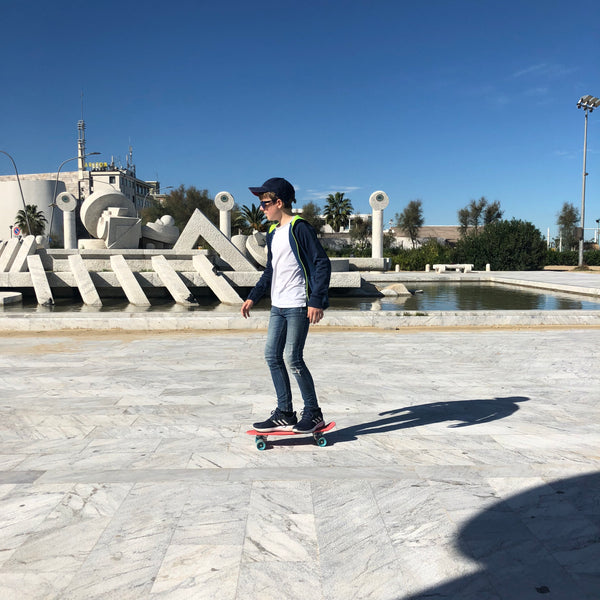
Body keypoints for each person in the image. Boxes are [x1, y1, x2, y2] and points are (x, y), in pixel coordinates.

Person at [241, 177, 331, 434]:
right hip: (278, 305)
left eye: (265, 203)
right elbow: (271, 270)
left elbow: (321, 263)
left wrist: (315, 300)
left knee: (293, 358)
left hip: (298, 304)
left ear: (279, 202)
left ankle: (313, 414)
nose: (262, 208)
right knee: (272, 356)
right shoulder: (272, 232)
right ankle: (285, 412)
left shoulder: (299, 227)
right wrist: (253, 296)